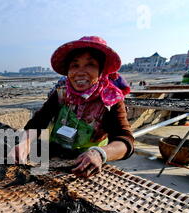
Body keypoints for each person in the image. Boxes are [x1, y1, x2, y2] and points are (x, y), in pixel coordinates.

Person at [10, 36, 134, 178]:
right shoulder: (61, 93)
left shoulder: (111, 100)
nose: (80, 72)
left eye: (90, 64)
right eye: (75, 65)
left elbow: (125, 141)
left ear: (101, 71)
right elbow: (39, 121)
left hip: (86, 165)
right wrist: (25, 143)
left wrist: (99, 154)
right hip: (54, 156)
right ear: (68, 71)